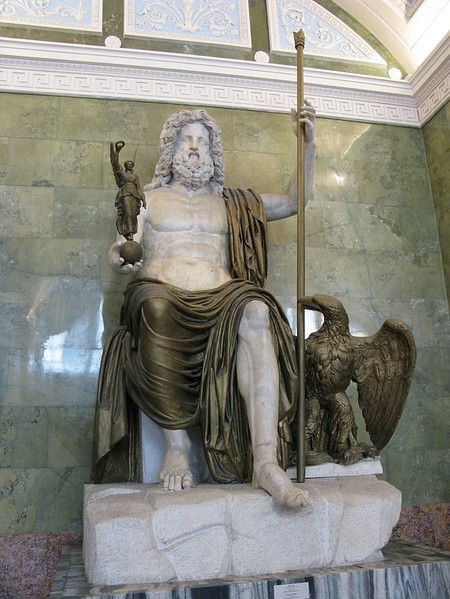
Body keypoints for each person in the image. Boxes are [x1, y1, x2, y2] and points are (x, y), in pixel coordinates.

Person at [92, 104, 315, 508]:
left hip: (223, 296)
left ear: (213, 153)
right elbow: (123, 243)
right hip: (161, 292)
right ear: (171, 150)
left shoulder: (233, 203)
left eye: (202, 141)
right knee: (154, 307)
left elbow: (292, 202)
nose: (194, 147)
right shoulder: (147, 199)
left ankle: (266, 461)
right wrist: (120, 258)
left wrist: (307, 147)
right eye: (186, 140)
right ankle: (176, 445)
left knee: (257, 310)